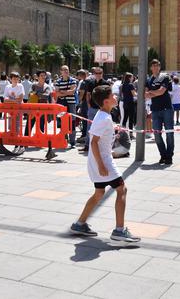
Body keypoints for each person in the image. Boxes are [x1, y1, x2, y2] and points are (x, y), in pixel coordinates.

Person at [69, 85, 140, 243]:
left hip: (98, 161)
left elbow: (99, 135)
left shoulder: (104, 116)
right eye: (113, 96)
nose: (116, 97)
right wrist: (101, 165)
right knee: (122, 189)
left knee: (99, 193)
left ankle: (79, 224)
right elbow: (94, 142)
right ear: (107, 101)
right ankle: (119, 230)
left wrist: (112, 129)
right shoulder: (103, 118)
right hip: (102, 161)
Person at [145, 60, 174, 165]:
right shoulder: (149, 80)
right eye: (153, 65)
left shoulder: (164, 77)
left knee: (169, 133)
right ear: (151, 68)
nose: (156, 67)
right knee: (157, 135)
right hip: (155, 110)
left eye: (157, 65)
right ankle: (163, 155)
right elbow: (145, 94)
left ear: (160, 67)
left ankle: (169, 156)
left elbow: (161, 91)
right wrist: (156, 92)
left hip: (167, 109)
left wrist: (152, 92)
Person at [55, 66, 78, 148]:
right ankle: (64, 139)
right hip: (61, 104)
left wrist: (62, 92)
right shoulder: (58, 81)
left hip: (71, 103)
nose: (66, 71)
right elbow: (57, 93)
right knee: (62, 121)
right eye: (64, 70)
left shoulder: (73, 80)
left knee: (72, 121)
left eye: (67, 69)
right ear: (61, 71)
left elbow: (72, 92)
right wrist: (66, 92)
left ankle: (72, 142)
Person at [120, 73, 137, 139]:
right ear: (129, 78)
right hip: (130, 103)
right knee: (131, 119)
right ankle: (131, 134)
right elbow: (134, 94)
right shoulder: (130, 85)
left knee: (125, 118)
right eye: (132, 77)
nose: (133, 78)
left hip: (125, 103)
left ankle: (123, 133)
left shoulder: (123, 85)